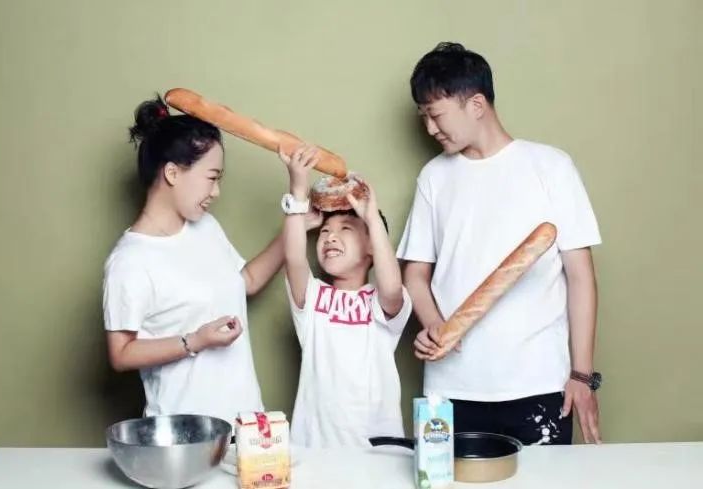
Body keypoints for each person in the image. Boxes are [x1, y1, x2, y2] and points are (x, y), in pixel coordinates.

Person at [398, 42, 603, 445]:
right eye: (423, 118)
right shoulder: (434, 177)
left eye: (436, 115)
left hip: (539, 384)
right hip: (451, 389)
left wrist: (581, 375)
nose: (430, 129)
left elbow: (581, 278)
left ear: (476, 104)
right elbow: (415, 274)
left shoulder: (551, 167)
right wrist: (435, 325)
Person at [103, 96, 284, 424]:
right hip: (184, 433)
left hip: (245, 426)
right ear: (172, 173)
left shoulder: (205, 227)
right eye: (212, 177)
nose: (216, 192)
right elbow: (121, 353)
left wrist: (298, 220)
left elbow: (247, 281)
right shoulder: (130, 260)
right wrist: (195, 341)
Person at [279, 145, 412, 448]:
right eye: (325, 231)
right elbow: (294, 257)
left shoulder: (380, 302)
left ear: (372, 247)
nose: (330, 237)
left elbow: (392, 287)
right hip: (316, 451)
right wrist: (298, 191)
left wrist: (373, 220)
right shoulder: (313, 298)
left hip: (376, 453)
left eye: (346, 229)